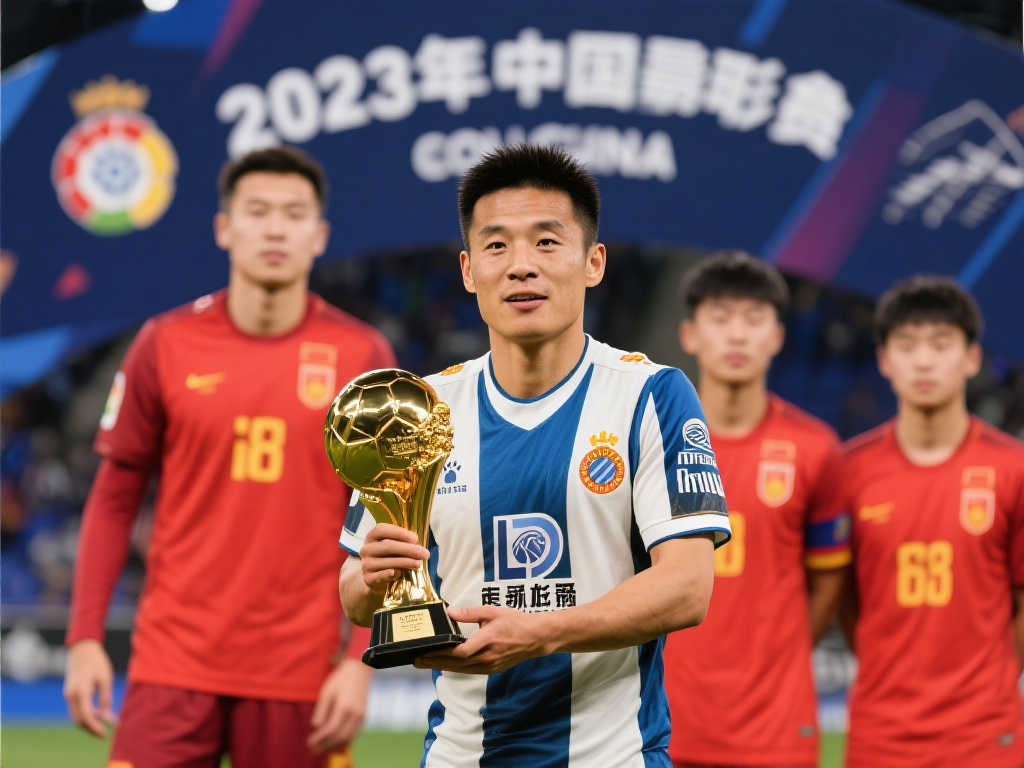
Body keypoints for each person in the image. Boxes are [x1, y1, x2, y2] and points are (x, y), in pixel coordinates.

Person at [338, 144, 732, 767]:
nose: (521, 266)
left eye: (547, 242)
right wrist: (372, 575)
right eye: (496, 246)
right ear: (468, 270)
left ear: (593, 262)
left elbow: (687, 587)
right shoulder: (420, 409)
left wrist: (540, 633)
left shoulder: (650, 395)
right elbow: (355, 595)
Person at [63, 146, 396, 768]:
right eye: (258, 211)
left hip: (302, 673)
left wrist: (360, 662)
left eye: (294, 214)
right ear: (224, 227)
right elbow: (113, 499)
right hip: (172, 664)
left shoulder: (362, 355)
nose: (275, 229)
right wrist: (84, 638)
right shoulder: (164, 344)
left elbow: (387, 517)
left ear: (319, 235)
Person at [664, 252, 850, 768]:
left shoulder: (816, 449)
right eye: (721, 318)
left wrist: (779, 655)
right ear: (689, 334)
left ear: (778, 336)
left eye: (754, 318)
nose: (738, 335)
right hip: (664, 725)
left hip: (775, 730)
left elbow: (830, 580)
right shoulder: (649, 443)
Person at [838, 276, 1024, 768]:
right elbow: (841, 594)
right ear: (884, 360)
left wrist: (991, 682)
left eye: (941, 345)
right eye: (907, 345)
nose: (923, 361)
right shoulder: (849, 472)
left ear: (972, 358)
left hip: (985, 738)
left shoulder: (1014, 470)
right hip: (881, 736)